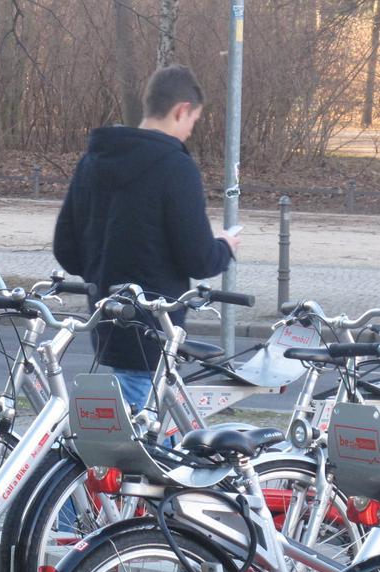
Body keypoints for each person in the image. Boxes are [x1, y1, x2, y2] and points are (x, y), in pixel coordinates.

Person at [53, 65, 241, 408]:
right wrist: (224, 247)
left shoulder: (93, 160)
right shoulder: (175, 167)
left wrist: (104, 267)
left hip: (105, 321)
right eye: (192, 122)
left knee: (120, 433)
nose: (188, 132)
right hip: (155, 329)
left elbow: (66, 249)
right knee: (135, 448)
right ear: (181, 110)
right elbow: (198, 259)